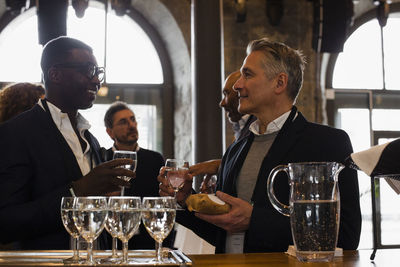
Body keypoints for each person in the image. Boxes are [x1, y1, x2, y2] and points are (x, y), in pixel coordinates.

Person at [159, 37, 362, 253]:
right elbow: (222, 232)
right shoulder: (236, 149)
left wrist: (255, 220)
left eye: (248, 74)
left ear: (279, 83)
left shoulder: (328, 143)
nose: (237, 85)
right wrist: (183, 202)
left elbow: (346, 235)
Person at [0, 36, 134, 250]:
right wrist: (76, 192)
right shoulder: (16, 133)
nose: (96, 81)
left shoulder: (90, 138)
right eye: (88, 70)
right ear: (55, 74)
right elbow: (6, 221)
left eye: (98, 72)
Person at [103, 101, 174, 249]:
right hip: (111, 242)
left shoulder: (155, 159)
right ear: (110, 132)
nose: (131, 125)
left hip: (148, 241)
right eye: (123, 122)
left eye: (133, 119)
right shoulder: (103, 159)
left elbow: (164, 202)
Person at [189, 71, 256, 181]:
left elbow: (249, 167)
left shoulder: (258, 126)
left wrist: (216, 166)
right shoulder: (242, 126)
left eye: (226, 94)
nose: (222, 103)